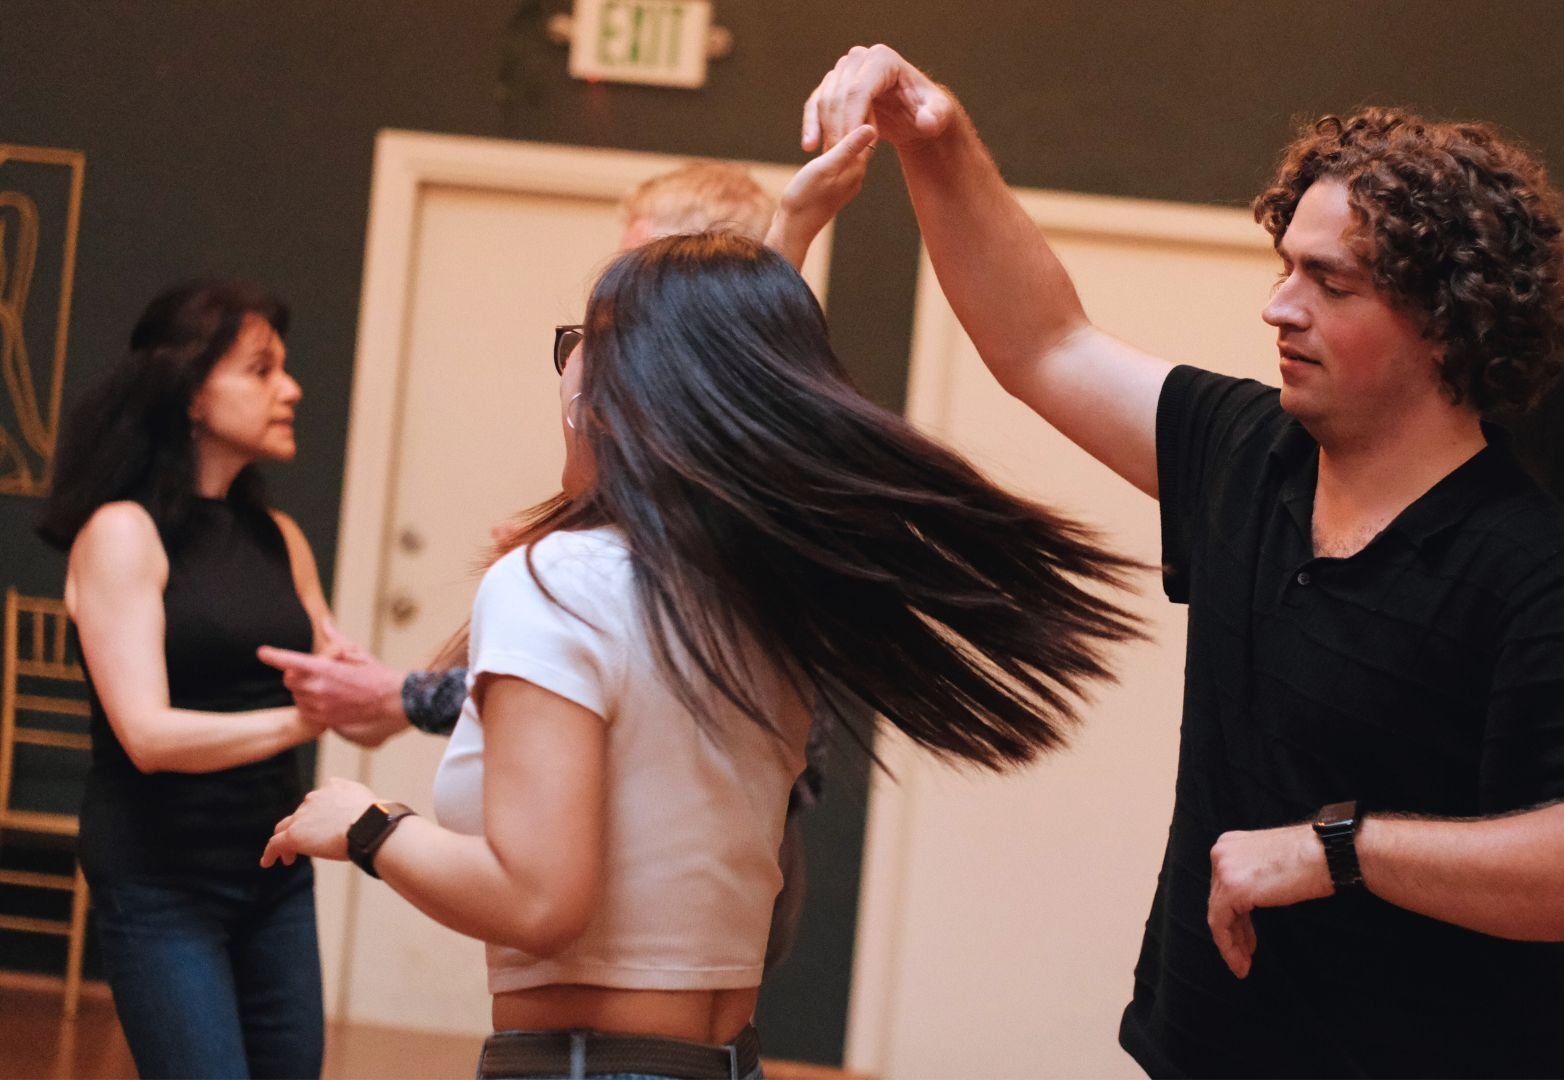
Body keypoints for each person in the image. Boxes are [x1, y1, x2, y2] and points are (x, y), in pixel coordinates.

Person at [801, 46, 1564, 1078]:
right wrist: (937, 140)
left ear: (1446, 326)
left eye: (1330, 282)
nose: (1280, 306)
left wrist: (1338, 851)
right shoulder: (1246, 454)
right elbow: (1041, 342)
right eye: (1287, 267)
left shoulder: (1533, 573)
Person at [259, 148, 1144, 1080]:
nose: (570, 363)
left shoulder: (554, 580)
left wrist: (367, 825)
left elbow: (538, 903)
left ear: (616, 386)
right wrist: (788, 235)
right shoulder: (766, 578)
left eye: (587, 338)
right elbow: (737, 386)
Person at [256, 150, 862, 967]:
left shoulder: (692, 537)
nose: (600, 347)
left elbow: (541, 893)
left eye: (622, 315)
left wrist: (369, 822)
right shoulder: (681, 527)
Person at [37, 281, 332, 1077]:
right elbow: (147, 736)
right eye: (262, 370)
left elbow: (357, 698)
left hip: (276, 873)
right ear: (192, 392)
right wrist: (304, 719)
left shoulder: (279, 537)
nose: (291, 389)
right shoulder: (122, 533)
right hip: (161, 881)